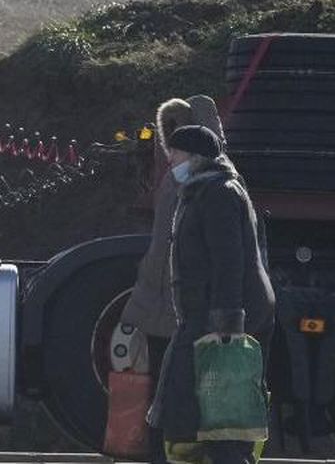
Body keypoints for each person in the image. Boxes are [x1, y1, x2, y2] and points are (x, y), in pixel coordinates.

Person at [148, 125, 273, 464]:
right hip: (203, 315)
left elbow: (228, 260)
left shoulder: (218, 192)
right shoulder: (204, 189)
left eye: (175, 153)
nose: (171, 160)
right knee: (202, 407)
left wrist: (228, 325)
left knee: (217, 410)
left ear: (195, 156)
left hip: (216, 318)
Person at [121, 96, 224, 464]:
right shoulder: (181, 179)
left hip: (178, 308)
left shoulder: (212, 184)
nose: (172, 155)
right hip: (165, 304)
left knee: (175, 395)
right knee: (166, 394)